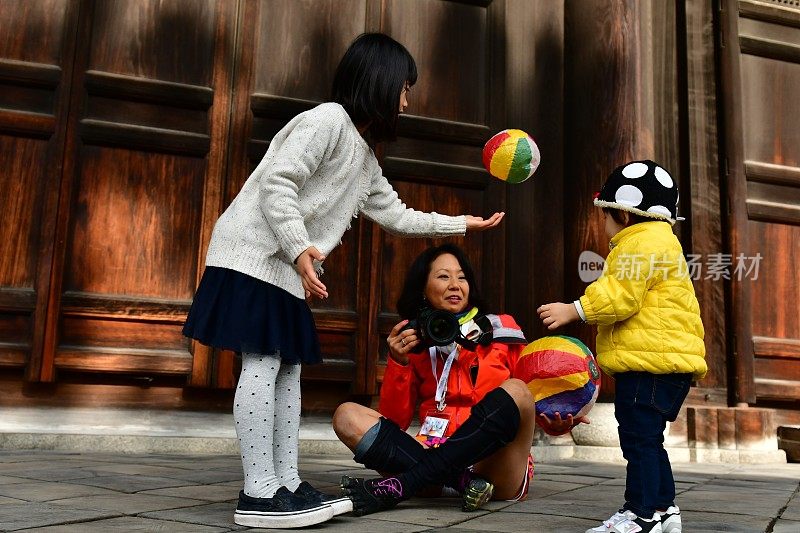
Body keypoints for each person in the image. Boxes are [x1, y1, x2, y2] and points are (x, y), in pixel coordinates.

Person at [182, 33, 504, 529]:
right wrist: (298, 247)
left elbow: (398, 215)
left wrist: (462, 224)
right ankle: (258, 492)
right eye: (403, 85)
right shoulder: (327, 120)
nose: (406, 97)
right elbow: (279, 181)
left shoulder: (365, 157)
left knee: (288, 369)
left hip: (287, 266)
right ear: (379, 79)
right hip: (253, 256)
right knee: (264, 362)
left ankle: (285, 483)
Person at [333, 244, 586, 516]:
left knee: (517, 389)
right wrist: (399, 362)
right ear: (423, 288)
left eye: (462, 277)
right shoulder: (415, 341)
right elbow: (395, 422)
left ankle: (408, 483)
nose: (455, 285)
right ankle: (462, 482)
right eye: (443, 276)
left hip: (492, 465)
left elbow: (529, 399)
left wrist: (557, 425)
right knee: (346, 415)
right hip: (431, 446)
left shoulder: (502, 329)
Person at [537, 160, 707, 533]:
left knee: (638, 441)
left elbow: (619, 296)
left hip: (649, 363)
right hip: (666, 362)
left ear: (625, 216)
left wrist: (574, 309)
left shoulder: (638, 244)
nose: (605, 227)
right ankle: (664, 510)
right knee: (648, 439)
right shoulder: (663, 242)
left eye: (606, 217)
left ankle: (641, 514)